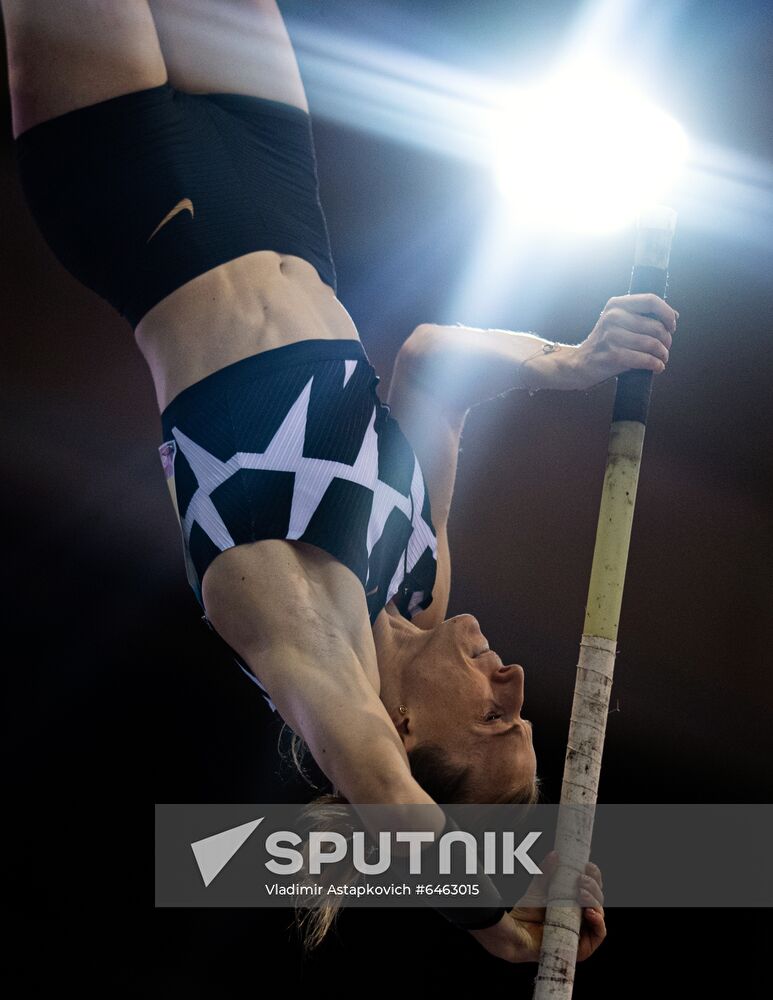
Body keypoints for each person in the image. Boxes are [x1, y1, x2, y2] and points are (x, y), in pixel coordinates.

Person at [2, 0, 676, 962]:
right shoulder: (419, 580)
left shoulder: (297, 632)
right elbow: (433, 366)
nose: (512, 680)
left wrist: (491, 920)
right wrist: (567, 361)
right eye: (520, 709)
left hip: (133, 192)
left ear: (400, 730)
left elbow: (386, 798)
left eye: (494, 720)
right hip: (275, 180)